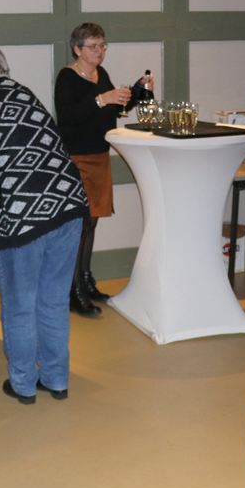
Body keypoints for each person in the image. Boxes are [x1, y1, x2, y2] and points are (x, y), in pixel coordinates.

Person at [0, 42, 89, 403]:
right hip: (69, 207)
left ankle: (23, 384)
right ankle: (56, 379)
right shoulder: (24, 94)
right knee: (53, 302)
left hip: (22, 218)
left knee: (20, 305)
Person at [54, 22, 151, 317]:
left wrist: (135, 93)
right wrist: (101, 98)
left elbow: (114, 110)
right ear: (77, 49)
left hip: (99, 155)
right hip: (76, 159)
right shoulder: (67, 77)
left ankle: (86, 280)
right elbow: (67, 116)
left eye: (103, 45)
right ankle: (73, 291)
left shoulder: (102, 74)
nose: (100, 51)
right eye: (93, 46)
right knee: (81, 225)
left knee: (92, 222)